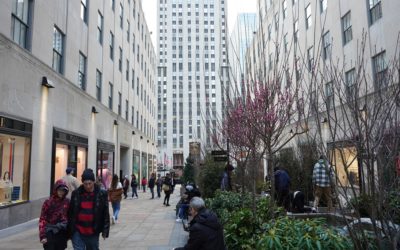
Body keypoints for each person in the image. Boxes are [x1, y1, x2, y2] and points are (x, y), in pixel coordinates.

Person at [68, 168, 110, 249]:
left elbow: (105, 213)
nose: (87, 186)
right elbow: (71, 212)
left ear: (94, 182)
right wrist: (70, 230)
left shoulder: (101, 194)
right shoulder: (76, 193)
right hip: (78, 230)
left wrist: (105, 230)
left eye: (90, 183)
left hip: (93, 231)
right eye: (85, 183)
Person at [39, 179, 70, 250]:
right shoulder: (48, 202)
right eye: (60, 190)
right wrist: (42, 236)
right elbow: (42, 219)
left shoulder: (67, 202)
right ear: (56, 189)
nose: (61, 192)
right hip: (49, 231)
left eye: (63, 191)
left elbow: (70, 217)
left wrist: (69, 233)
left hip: (62, 231)